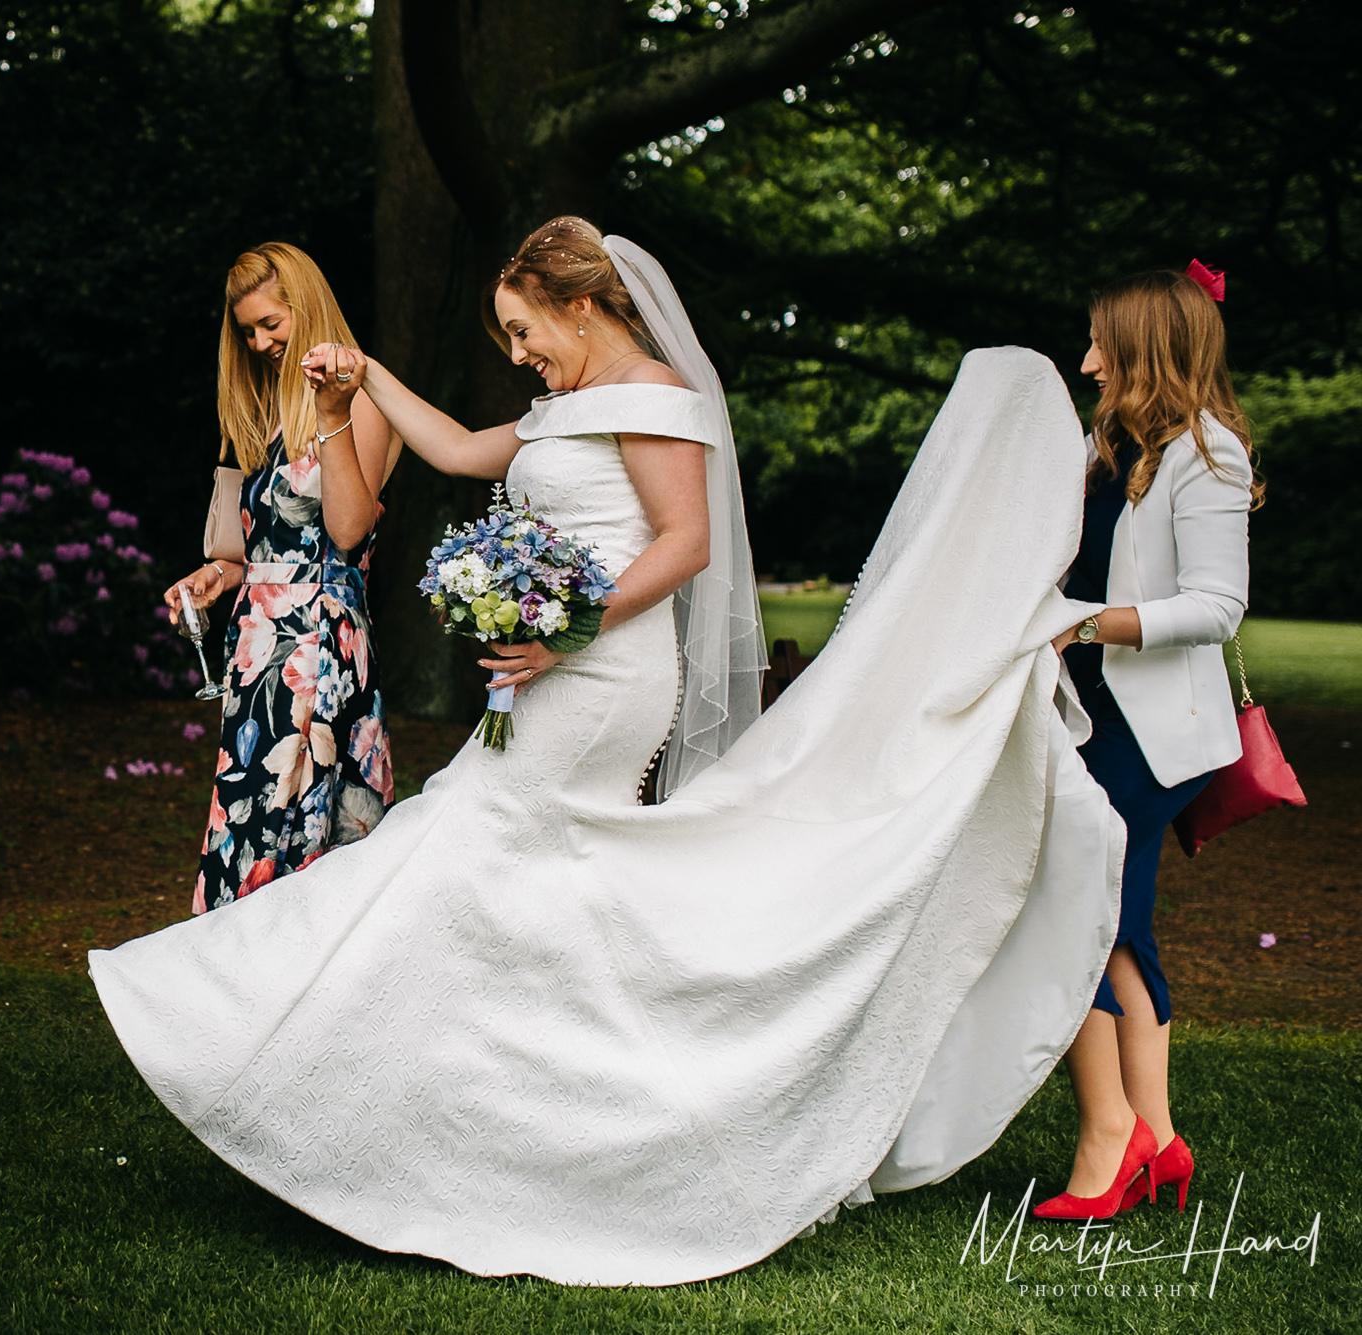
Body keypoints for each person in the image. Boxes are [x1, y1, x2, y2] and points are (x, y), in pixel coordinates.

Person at [92, 217, 1122, 1285]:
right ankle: (553, 1118)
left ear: (577, 302)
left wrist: (569, 627)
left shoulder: (655, 399)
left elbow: (686, 544)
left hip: (604, 678)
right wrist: (361, 376)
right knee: (528, 883)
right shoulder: (564, 408)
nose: (518, 354)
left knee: (461, 852)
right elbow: (450, 451)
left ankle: (303, 1053)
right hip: (550, 673)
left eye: (523, 330)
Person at [1032, 267, 1258, 1221]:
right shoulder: (1108, 444)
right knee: (1119, 923)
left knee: (1078, 913)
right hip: (1088, 713)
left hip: (1153, 729)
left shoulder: (1210, 455)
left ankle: (1108, 1141)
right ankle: (1158, 1138)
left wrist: (1080, 625)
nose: (1086, 362)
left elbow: (1217, 607)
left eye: (1101, 345)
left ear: (1147, 351)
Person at [162, 243, 398, 916]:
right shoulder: (267, 411)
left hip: (317, 639)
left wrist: (332, 415)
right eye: (249, 331)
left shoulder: (359, 400)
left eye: (273, 322)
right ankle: (241, 974)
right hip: (259, 645)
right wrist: (219, 573)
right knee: (250, 812)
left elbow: (348, 531)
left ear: (308, 306)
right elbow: (265, 542)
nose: (262, 341)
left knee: (296, 818)